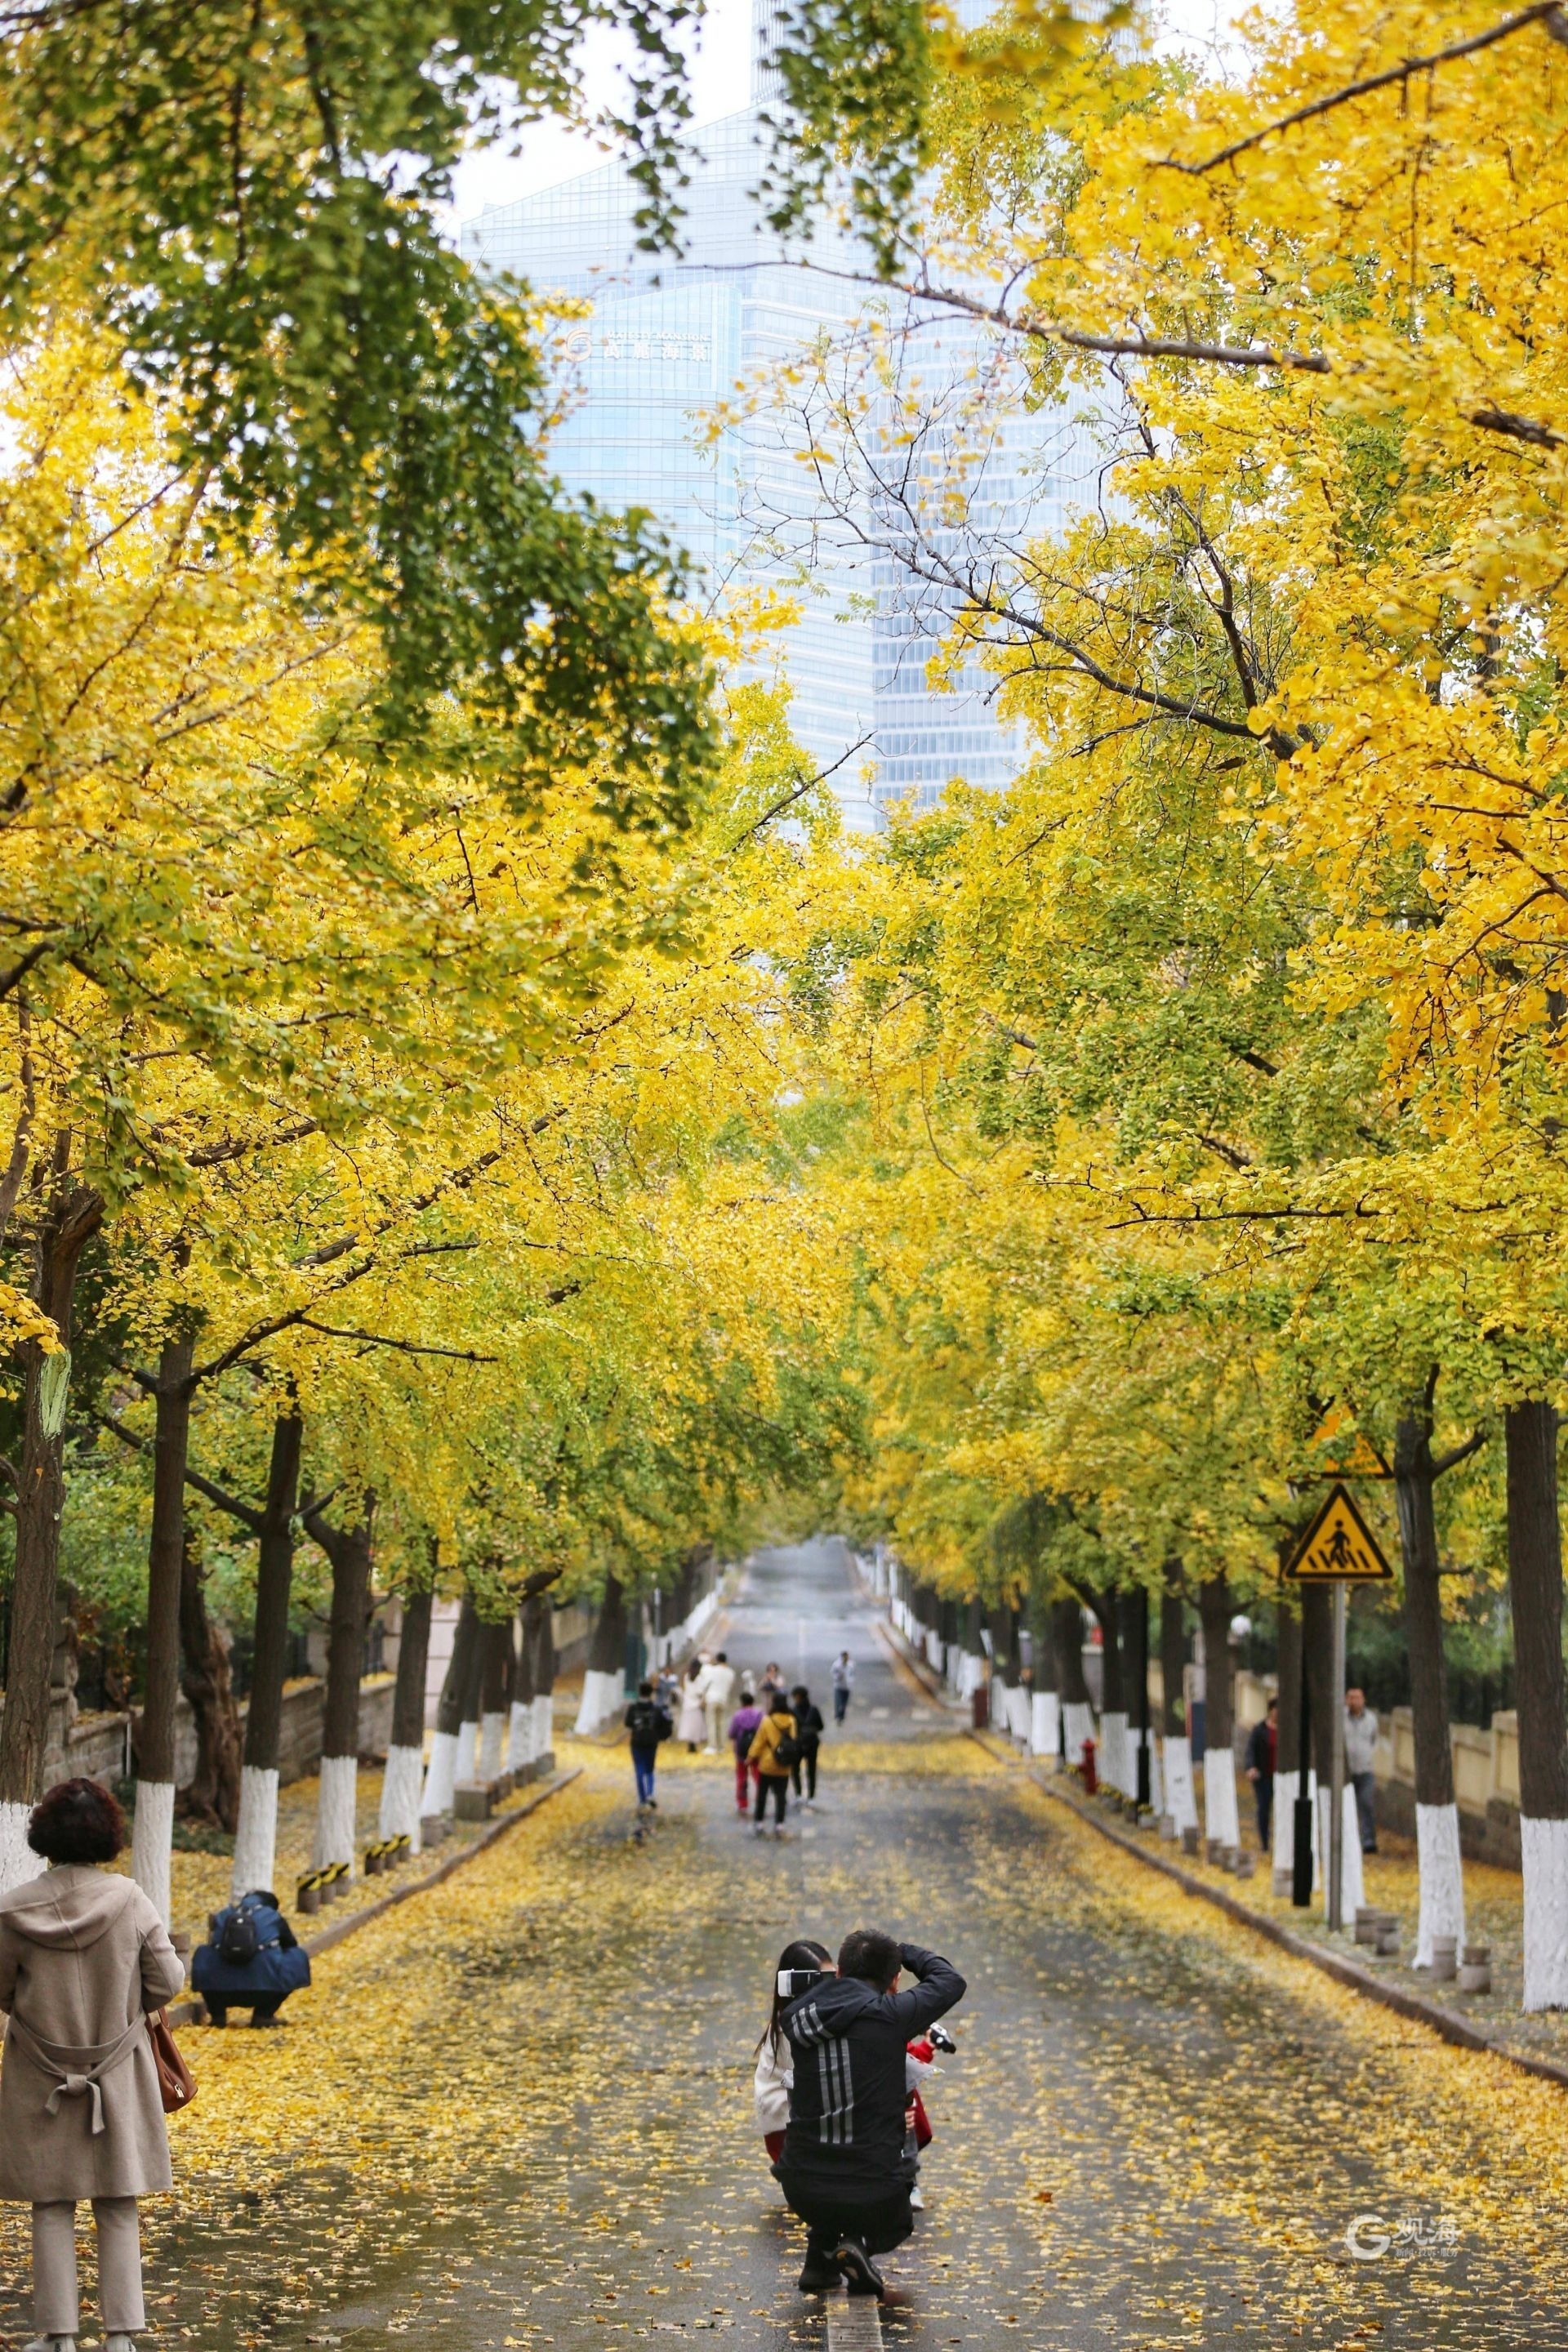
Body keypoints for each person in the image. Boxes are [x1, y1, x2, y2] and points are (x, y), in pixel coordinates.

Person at [0, 1776, 185, 2352]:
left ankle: (56, 2336)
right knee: (116, 2201)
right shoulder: (128, 1899)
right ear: (108, 1835)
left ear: (43, 1837)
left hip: (38, 2073)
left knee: (50, 2203)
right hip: (118, 2072)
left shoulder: (11, 1909)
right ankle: (121, 2337)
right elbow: (169, 1980)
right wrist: (124, 2011)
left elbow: (2, 1988)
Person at [778, 1928, 966, 2298]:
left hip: (800, 2187)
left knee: (831, 2177)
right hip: (875, 2191)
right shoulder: (891, 2016)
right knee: (896, 2214)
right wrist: (903, 1951)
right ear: (894, 1980)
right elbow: (950, 1981)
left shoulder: (798, 2015)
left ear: (839, 1971)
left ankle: (819, 2262)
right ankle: (860, 2243)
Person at [755, 1939, 833, 2166]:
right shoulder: (790, 2027)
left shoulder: (811, 2019)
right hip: (786, 2127)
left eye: (833, 1978)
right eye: (822, 1982)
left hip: (804, 2120)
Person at [191, 1887, 310, 2026]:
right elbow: (290, 1944)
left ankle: (218, 2016)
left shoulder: (225, 1914)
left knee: (204, 1953)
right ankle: (264, 2014)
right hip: (264, 1991)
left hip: (220, 1991)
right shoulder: (272, 1915)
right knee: (297, 1956)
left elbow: (213, 1944)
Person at [748, 1690, 799, 1837]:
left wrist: (751, 1756)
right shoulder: (791, 1720)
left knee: (762, 1795)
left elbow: (759, 1741)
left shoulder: (767, 1720)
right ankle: (779, 1824)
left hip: (767, 1765)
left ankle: (759, 1822)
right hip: (784, 1765)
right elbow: (792, 1740)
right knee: (781, 1796)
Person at [624, 1679, 673, 1810]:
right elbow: (665, 1723)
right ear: (651, 1693)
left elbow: (628, 1723)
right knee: (650, 1769)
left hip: (637, 1742)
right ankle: (650, 1793)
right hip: (652, 1742)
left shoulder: (633, 1708)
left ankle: (642, 1798)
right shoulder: (656, 1709)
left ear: (639, 1692)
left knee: (639, 1770)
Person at [1344, 1687, 1379, 1852]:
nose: (1354, 1701)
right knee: (1346, 1806)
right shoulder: (1341, 1718)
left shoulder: (1371, 1719)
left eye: (1357, 1697)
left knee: (1366, 1803)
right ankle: (1347, 1839)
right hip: (1346, 1771)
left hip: (1365, 1770)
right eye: (1351, 1697)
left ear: (1363, 1699)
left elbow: (1374, 1740)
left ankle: (1368, 1840)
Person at [1245, 1696, 1277, 1854]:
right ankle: (1265, 1842)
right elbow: (1250, 1750)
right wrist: (1251, 1767)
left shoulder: (1288, 1730)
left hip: (1282, 1777)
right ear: (1270, 1711)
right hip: (1263, 1776)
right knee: (1264, 1808)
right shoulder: (1260, 1730)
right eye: (1275, 1709)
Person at [729, 1689, 764, 1816]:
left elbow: (732, 1733)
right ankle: (760, 1801)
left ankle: (743, 1804)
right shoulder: (759, 1714)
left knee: (741, 1778)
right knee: (758, 1777)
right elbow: (763, 1731)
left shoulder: (737, 1715)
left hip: (741, 1751)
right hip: (756, 1751)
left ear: (742, 1702)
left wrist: (735, 1749)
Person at [789, 1685, 825, 1808]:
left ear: (797, 1697)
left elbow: (790, 1729)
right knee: (812, 1770)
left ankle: (798, 1794)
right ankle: (811, 1797)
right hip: (812, 1744)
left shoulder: (793, 1711)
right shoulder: (814, 1709)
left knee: (795, 1769)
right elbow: (821, 1727)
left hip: (798, 1744)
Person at [701, 1652, 737, 1756]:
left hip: (712, 1698)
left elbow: (705, 1684)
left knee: (711, 1722)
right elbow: (730, 1685)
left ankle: (712, 1746)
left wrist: (703, 1697)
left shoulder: (713, 1671)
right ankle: (721, 1746)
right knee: (721, 1723)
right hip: (724, 1698)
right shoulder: (730, 1672)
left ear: (717, 1660)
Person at [675, 1659, 707, 1753]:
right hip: (696, 1704)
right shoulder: (699, 1678)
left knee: (688, 1725)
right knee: (696, 1726)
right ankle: (694, 1744)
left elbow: (685, 1688)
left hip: (687, 1704)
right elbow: (700, 1692)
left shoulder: (687, 1676)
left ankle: (690, 1744)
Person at [831, 1651, 855, 1726]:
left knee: (844, 1704)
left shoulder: (851, 1665)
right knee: (839, 1703)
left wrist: (851, 1681)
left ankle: (842, 1717)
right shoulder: (837, 1665)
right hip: (839, 1686)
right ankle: (838, 1716)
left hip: (847, 1687)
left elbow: (852, 1674)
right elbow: (832, 1673)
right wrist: (837, 1677)